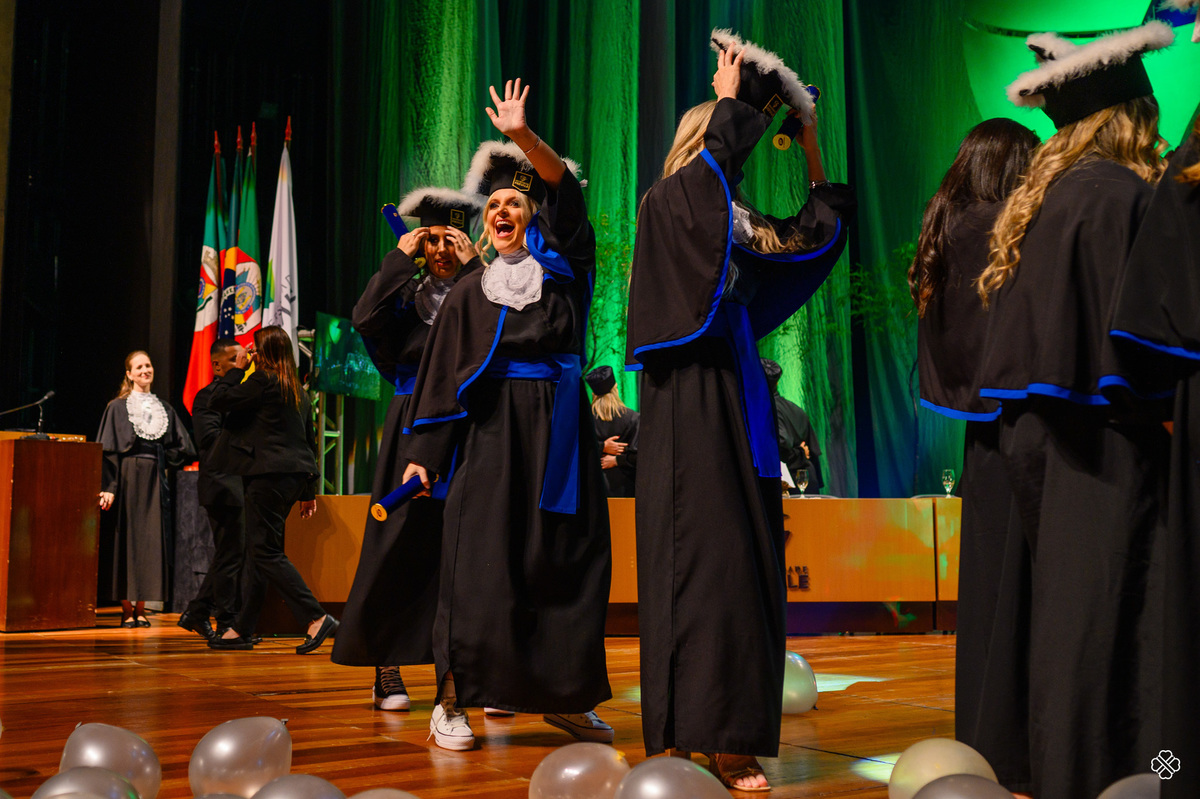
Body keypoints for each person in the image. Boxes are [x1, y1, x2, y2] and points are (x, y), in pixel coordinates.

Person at [625, 30, 852, 791]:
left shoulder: (732, 217)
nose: (740, 152)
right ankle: (685, 735)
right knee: (698, 562)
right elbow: (703, 188)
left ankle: (730, 735)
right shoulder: (672, 202)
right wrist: (728, 103)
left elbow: (809, 238)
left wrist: (811, 143)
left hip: (739, 398)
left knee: (745, 566)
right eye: (727, 139)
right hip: (686, 397)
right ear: (704, 140)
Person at [972, 23, 1175, 799]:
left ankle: (1065, 774)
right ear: (1130, 115)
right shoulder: (1121, 197)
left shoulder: (1048, 195)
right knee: (1125, 625)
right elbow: (1141, 343)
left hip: (1037, 435)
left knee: (1067, 621)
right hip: (1106, 436)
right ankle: (1144, 776)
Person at [400, 78, 613, 752]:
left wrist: (522, 137)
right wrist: (425, 455)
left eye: (513, 201)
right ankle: (454, 698)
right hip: (491, 435)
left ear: (533, 215)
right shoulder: (469, 292)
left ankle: (567, 697)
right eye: (491, 204)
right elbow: (439, 381)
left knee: (565, 563)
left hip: (560, 436)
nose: (500, 210)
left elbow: (569, 196)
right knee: (482, 566)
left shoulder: (568, 271)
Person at [908, 118, 1039, 793]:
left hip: (979, 429)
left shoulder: (946, 226)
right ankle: (1024, 752)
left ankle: (985, 743)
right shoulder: (1003, 227)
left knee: (986, 594)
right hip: (1027, 424)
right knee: (1028, 593)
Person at [331, 187, 482, 711]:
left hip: (467, 428)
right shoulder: (404, 298)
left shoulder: (481, 291)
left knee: (459, 551)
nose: (441, 249)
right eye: (433, 240)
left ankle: (463, 675)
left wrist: (474, 271)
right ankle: (385, 667)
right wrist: (399, 259)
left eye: (452, 240)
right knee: (396, 542)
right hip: (410, 424)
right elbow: (364, 317)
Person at [207, 325, 338, 654]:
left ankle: (316, 618)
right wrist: (308, 491)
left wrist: (237, 369)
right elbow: (308, 442)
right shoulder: (296, 389)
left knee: (265, 553)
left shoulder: (262, 381)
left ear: (262, 353)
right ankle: (242, 628)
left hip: (267, 477)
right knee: (263, 554)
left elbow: (218, 400)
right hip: (292, 479)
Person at [97, 351, 196, 628]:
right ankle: (127, 609)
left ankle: (141, 609)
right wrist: (110, 486)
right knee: (127, 540)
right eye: (139, 367)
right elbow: (108, 451)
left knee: (150, 542)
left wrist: (164, 461)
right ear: (128, 374)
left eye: (148, 365)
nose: (145, 370)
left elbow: (183, 447)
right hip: (127, 478)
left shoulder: (164, 408)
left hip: (154, 479)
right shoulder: (117, 407)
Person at [178, 338, 247, 641]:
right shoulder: (207, 397)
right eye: (234, 360)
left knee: (231, 555)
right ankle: (226, 623)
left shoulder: (240, 396)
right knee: (230, 556)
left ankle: (198, 612)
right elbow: (209, 441)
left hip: (239, 485)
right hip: (220, 485)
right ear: (217, 365)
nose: (241, 365)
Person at [760, 358, 824, 494]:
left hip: (789, 484)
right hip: (808, 479)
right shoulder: (796, 409)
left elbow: (782, 444)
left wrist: (799, 454)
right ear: (777, 382)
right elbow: (813, 451)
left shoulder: (768, 410)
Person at [584, 366, 638, 497]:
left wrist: (601, 447)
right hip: (624, 489)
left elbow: (577, 449)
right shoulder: (632, 418)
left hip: (591, 488)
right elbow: (639, 456)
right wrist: (617, 460)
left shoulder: (585, 420)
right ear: (616, 389)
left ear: (593, 394)